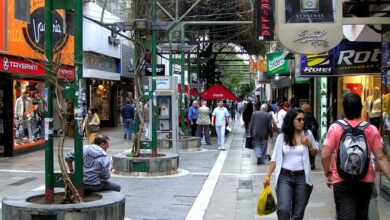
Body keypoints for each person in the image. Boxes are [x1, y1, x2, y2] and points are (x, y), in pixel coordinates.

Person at [321, 93, 390, 220]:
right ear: (361, 108)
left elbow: (325, 155)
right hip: (365, 180)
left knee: (345, 216)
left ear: (343, 109)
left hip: (341, 180)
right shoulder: (371, 129)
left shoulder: (335, 127)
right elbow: (380, 157)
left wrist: (328, 173)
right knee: (362, 216)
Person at [263, 108, 318, 220]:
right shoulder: (282, 137)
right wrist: (267, 176)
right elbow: (274, 159)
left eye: (303, 119)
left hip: (302, 178)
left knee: (298, 214)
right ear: (291, 120)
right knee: (283, 209)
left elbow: (315, 153)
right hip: (284, 177)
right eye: (299, 119)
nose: (302, 122)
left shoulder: (307, 134)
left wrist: (309, 144)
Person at [301, 103, 319, 170]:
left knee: (306, 148)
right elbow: (317, 125)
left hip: (305, 132)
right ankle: (312, 163)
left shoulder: (302, 116)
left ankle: (307, 162)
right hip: (312, 134)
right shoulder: (311, 116)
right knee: (312, 147)